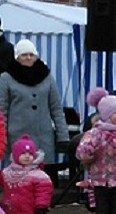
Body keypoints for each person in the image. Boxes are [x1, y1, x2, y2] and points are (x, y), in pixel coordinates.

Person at [0, 39, 69, 183]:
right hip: (16, 137)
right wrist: (3, 138)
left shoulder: (47, 77)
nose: (28, 58)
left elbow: (56, 108)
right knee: (19, 181)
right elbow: (2, 110)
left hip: (43, 137)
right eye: (24, 55)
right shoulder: (6, 78)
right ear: (17, 57)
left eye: (31, 54)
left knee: (43, 182)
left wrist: (63, 136)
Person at [1, 134, 53, 214]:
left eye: (30, 153)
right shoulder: (7, 173)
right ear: (15, 155)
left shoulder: (38, 175)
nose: (27, 156)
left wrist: (41, 207)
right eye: (23, 153)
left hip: (30, 212)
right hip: (12, 211)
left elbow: (44, 192)